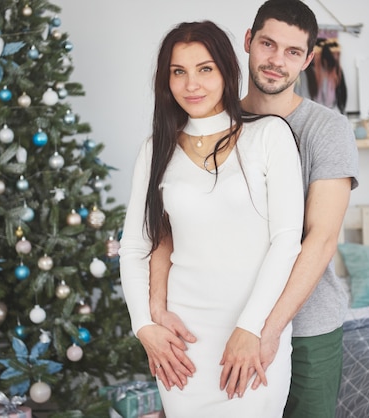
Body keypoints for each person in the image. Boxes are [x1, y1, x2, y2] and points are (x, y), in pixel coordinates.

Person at [145, 1, 360, 417]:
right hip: (216, 324)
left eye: (293, 52)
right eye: (268, 44)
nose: (277, 61)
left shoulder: (326, 130)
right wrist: (155, 313)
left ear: (309, 60)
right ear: (248, 41)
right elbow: (167, 225)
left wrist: (267, 328)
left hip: (306, 325)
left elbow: (319, 239)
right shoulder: (203, 118)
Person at [119, 20, 304, 418]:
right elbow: (136, 245)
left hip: (251, 332)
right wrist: (144, 326)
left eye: (205, 69)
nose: (192, 85)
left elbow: (287, 240)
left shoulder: (270, 135)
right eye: (178, 72)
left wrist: (252, 327)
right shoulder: (156, 150)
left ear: (226, 71)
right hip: (183, 342)